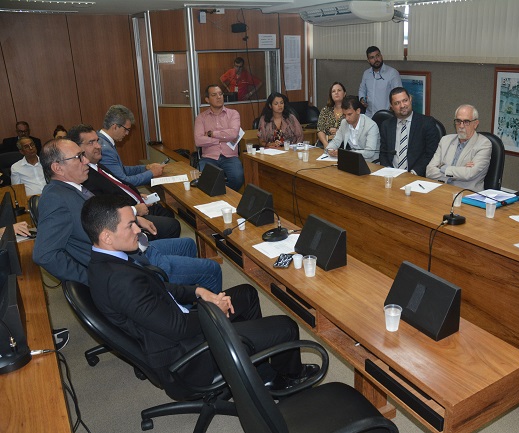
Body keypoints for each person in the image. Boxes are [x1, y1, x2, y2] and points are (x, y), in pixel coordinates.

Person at [82, 194, 318, 390]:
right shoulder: (119, 281)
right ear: (106, 236)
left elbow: (158, 288)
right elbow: (177, 327)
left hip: (175, 325)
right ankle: (289, 379)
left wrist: (198, 292)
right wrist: (214, 312)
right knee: (286, 326)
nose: (137, 229)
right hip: (186, 357)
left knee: (246, 294)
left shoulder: (109, 260)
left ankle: (255, 370)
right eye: (129, 225)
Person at [32, 139, 222, 293]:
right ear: (57, 168)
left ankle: (179, 301)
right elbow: (44, 255)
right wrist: (91, 278)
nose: (85, 161)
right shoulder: (55, 198)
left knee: (188, 244)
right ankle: (211, 322)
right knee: (212, 269)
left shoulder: (72, 188)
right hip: (129, 264)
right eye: (78, 157)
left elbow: (102, 217)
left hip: (135, 248)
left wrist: (134, 219)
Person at [67, 124, 180, 240]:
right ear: (77, 148)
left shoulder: (96, 164)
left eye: (97, 141)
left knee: (167, 213)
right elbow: (104, 209)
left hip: (134, 202)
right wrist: (134, 210)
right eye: (91, 143)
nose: (98, 146)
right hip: (126, 216)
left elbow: (117, 184)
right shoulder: (84, 175)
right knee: (172, 226)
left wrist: (136, 194)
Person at [425, 104, 492, 190]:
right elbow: (429, 171)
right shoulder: (445, 140)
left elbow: (469, 174)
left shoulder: (484, 144)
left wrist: (442, 167)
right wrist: (460, 170)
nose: (461, 126)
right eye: (458, 121)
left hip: (466, 193)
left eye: (466, 122)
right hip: (442, 190)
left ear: (475, 124)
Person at [97, 105, 165, 187]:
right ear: (115, 127)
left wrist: (146, 168)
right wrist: (152, 173)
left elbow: (121, 170)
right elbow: (123, 182)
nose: (127, 133)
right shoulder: (105, 149)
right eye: (126, 129)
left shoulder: (102, 140)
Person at [379, 87, 440, 176]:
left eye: (405, 100)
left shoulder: (426, 123)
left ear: (410, 99)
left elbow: (431, 154)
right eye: (397, 103)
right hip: (391, 175)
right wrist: (388, 172)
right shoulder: (386, 125)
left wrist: (413, 173)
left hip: (416, 175)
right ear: (391, 106)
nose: (402, 105)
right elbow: (383, 153)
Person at [194, 84, 244, 191]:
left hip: (230, 157)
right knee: (205, 181)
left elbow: (234, 134)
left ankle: (223, 195)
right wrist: (221, 139)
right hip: (209, 157)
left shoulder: (233, 114)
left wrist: (212, 134)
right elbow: (198, 140)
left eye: (220, 94)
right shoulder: (201, 118)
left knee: (238, 178)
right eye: (214, 95)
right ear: (207, 99)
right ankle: (217, 195)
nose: (219, 97)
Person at [326, 96, 379, 161]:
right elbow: (336, 141)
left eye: (349, 114)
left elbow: (369, 152)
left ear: (358, 111)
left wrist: (346, 153)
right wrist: (330, 149)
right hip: (350, 159)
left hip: (369, 162)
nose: (346, 118)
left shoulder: (371, 126)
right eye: (344, 115)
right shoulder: (344, 123)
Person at [358, 46, 402, 119]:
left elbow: (398, 94)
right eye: (372, 57)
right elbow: (362, 89)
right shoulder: (366, 73)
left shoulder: (392, 73)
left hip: (386, 116)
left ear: (381, 56)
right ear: (368, 60)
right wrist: (362, 98)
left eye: (377, 56)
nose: (376, 59)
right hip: (369, 116)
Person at [316, 82, 346, 148]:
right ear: (331, 95)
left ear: (344, 94)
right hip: (325, 143)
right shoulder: (326, 110)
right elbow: (320, 130)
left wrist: (339, 132)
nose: (336, 93)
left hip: (343, 145)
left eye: (339, 90)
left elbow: (353, 131)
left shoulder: (349, 111)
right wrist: (326, 144)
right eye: (333, 91)